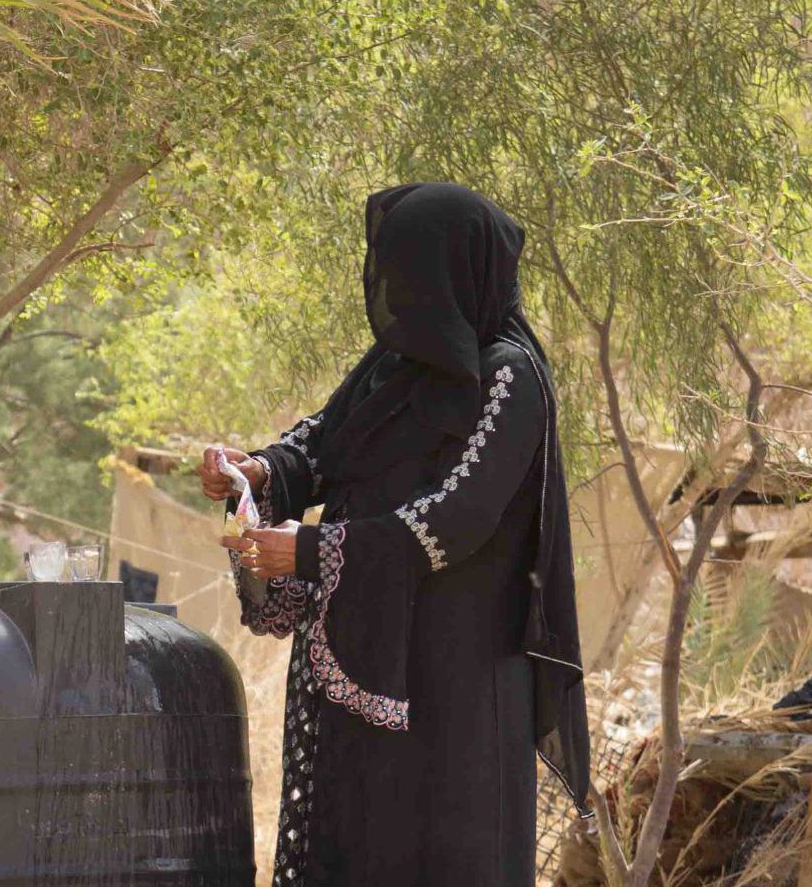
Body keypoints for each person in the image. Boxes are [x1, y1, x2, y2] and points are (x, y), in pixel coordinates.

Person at [199, 182, 593, 887]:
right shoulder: (393, 368)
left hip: (460, 678)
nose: (392, 291)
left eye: (407, 271)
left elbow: (453, 519)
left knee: (448, 852)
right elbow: (320, 447)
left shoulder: (512, 377)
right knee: (358, 839)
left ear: (451, 271)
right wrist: (256, 471)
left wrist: (312, 551)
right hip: (365, 654)